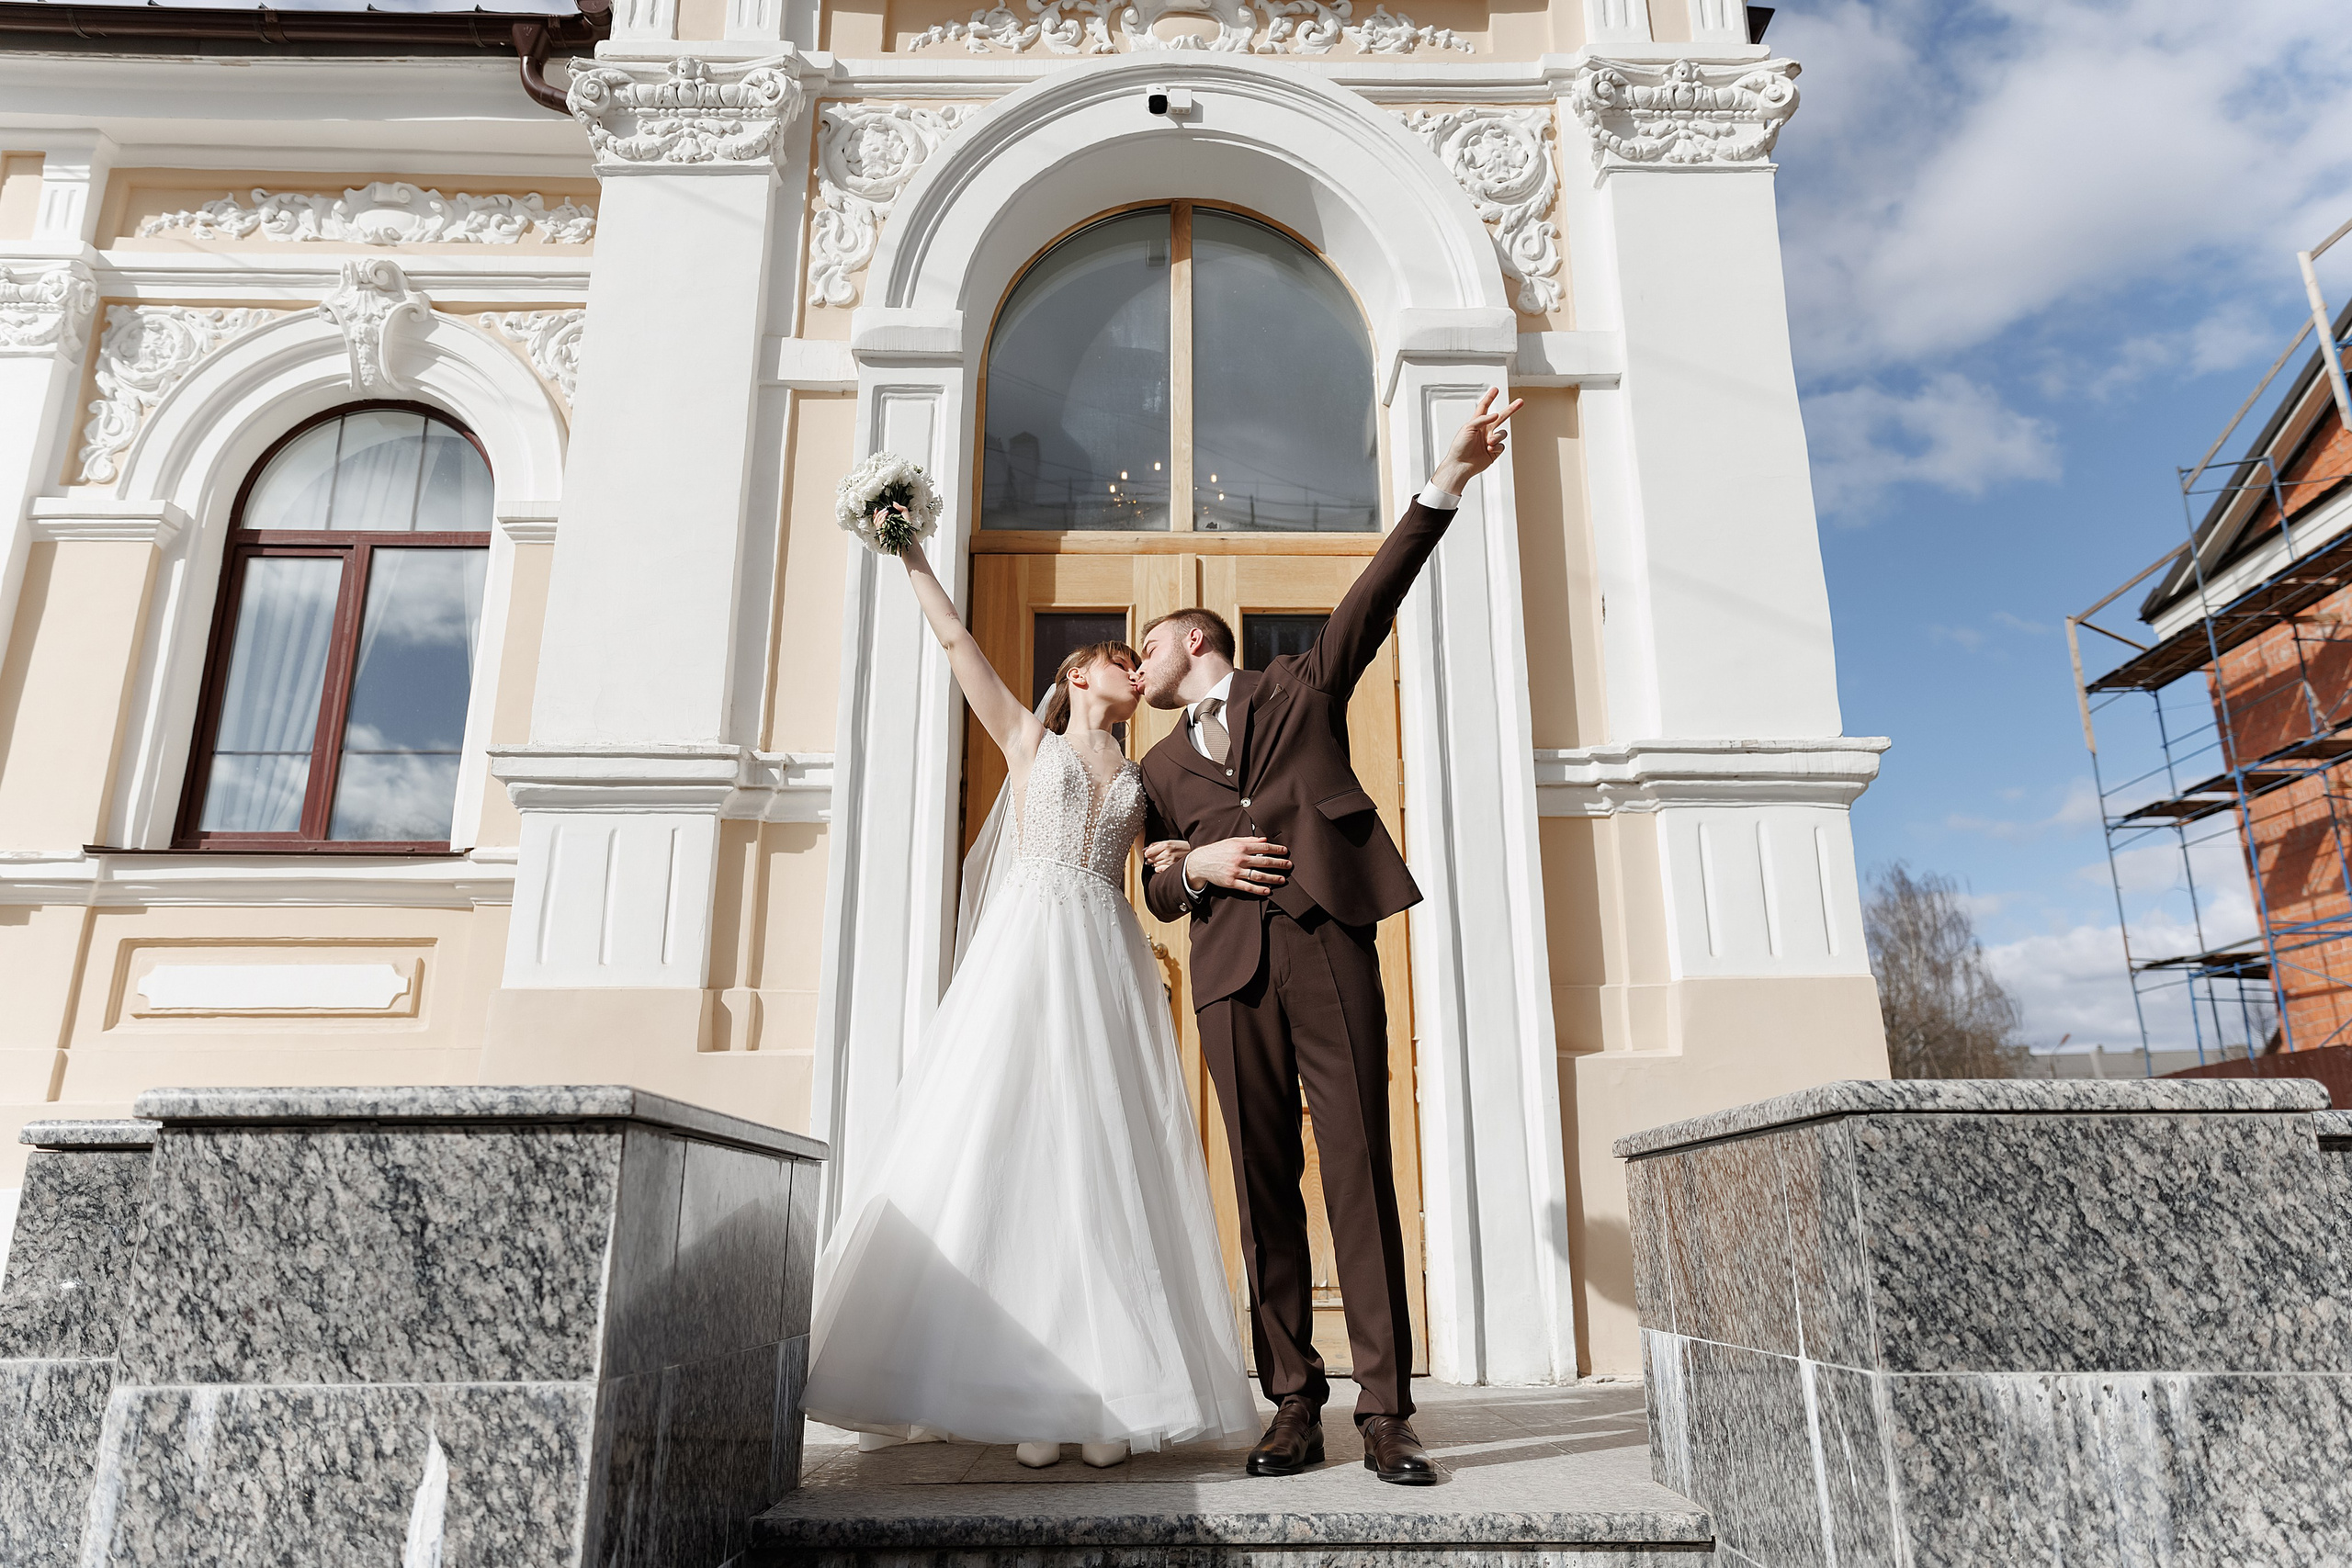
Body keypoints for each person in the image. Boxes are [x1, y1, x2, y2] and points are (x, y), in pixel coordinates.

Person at [1136, 389, 1522, 1485]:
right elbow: (1152, 885)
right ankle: (1292, 1404)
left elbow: (1374, 593)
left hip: (1327, 946)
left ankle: (1387, 1413)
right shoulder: (1156, 766)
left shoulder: (1301, 689)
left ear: (1195, 640)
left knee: (1357, 1169)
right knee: (1262, 1187)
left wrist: (1445, 479)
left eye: (1148, 646)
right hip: (1229, 976)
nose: (1138, 661)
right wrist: (1193, 867)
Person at [801, 539, 1257, 1469]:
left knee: (1099, 1157)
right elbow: (955, 640)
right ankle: (1010, 1390)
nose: (1135, 671)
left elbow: (1160, 866)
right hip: (1029, 952)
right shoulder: (1027, 738)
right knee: (1009, 1142)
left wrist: (1181, 857)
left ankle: (1101, 1395)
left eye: (1142, 662)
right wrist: (908, 547)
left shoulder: (1146, 776)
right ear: (1079, 674)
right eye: (1121, 659)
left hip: (1104, 959)